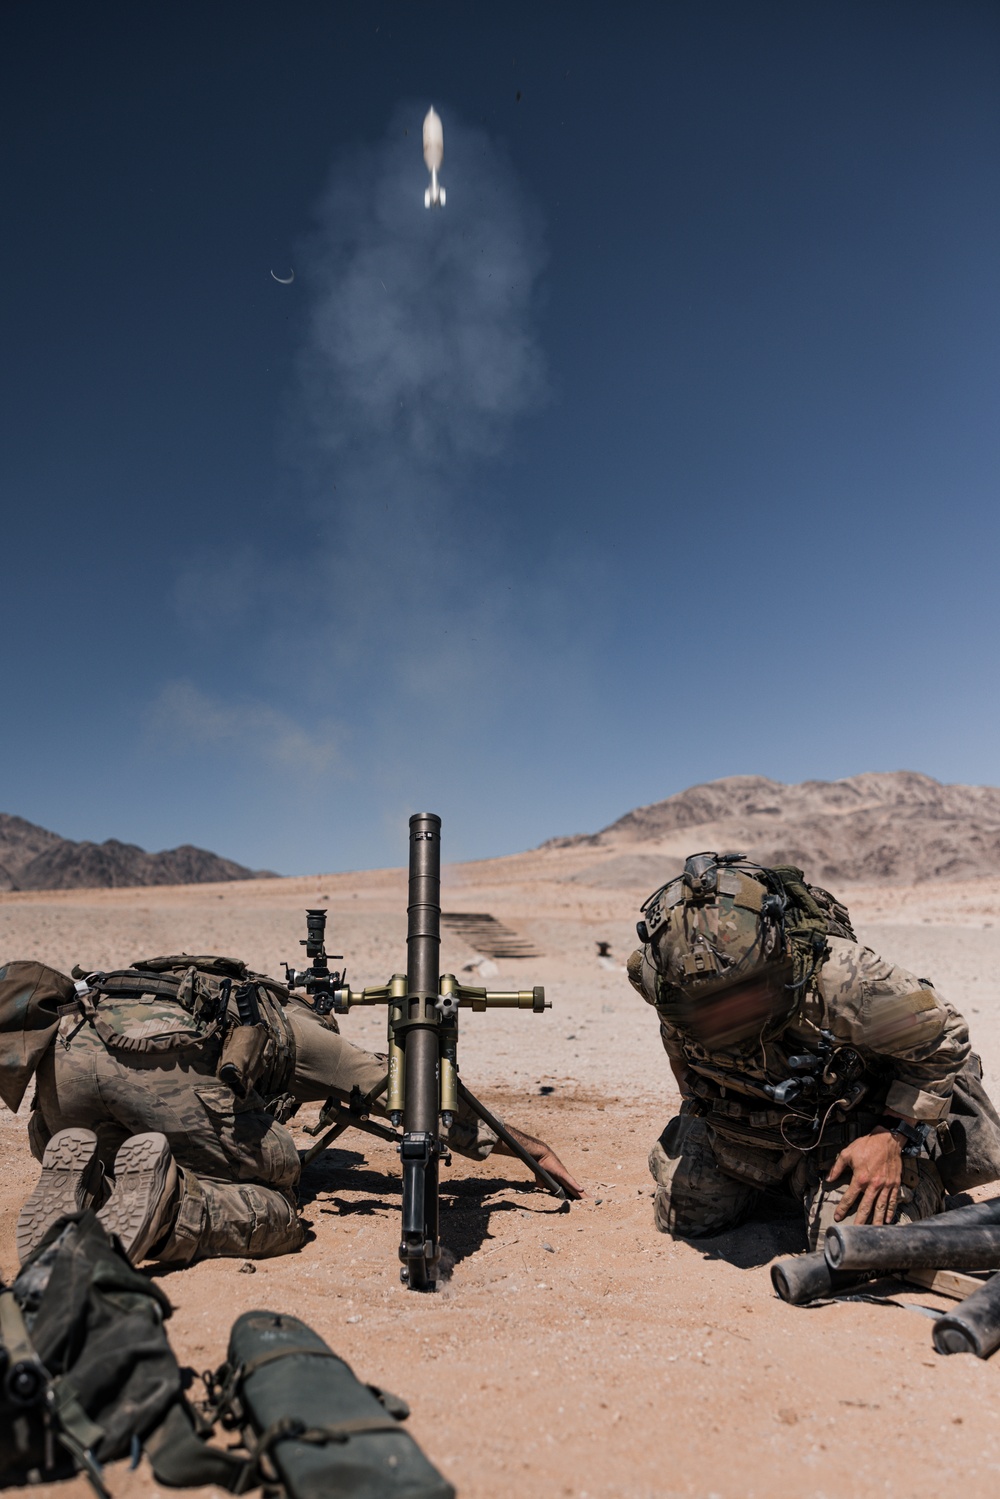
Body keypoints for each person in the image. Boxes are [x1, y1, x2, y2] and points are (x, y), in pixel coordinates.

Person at [1, 953, 582, 1266]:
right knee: (282, 1189)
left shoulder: (178, 983)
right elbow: (402, 1090)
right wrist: (524, 1147)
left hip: (65, 1058)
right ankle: (175, 1208)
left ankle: (90, 1179)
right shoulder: (299, 1031)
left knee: (117, 1142)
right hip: (156, 1066)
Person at [627, 852, 1000, 1249]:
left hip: (847, 1130)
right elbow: (677, 1045)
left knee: (850, 1247)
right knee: (683, 1221)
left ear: (778, 958)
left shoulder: (842, 981)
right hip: (747, 1131)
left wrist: (892, 1134)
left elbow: (945, 1035)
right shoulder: (658, 978)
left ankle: (917, 1169)